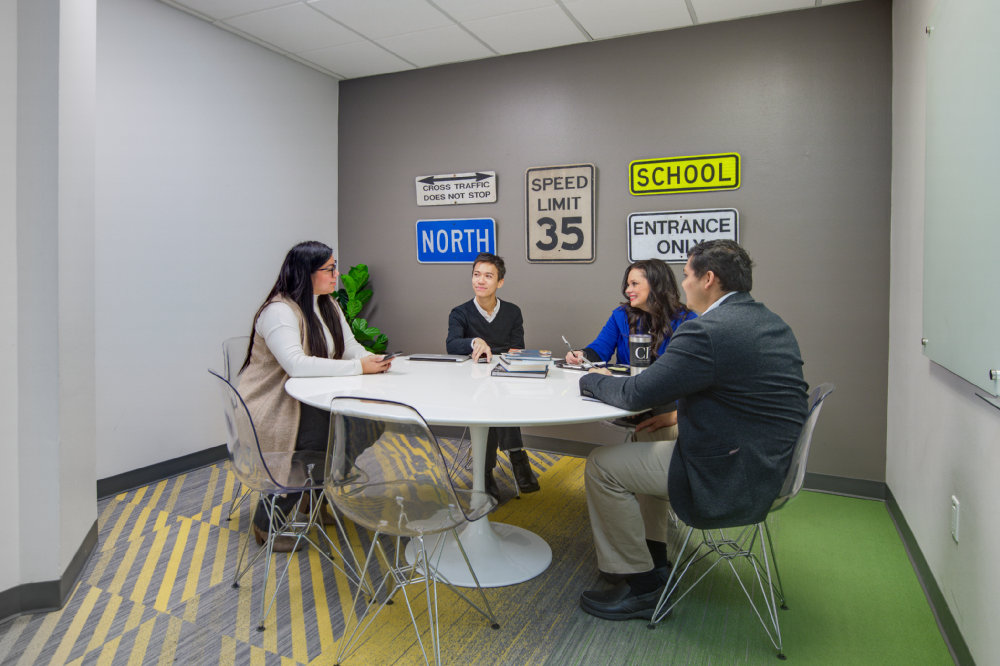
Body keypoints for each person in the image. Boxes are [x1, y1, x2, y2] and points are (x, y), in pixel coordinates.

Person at [576, 240, 809, 621]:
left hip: (731, 472)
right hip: (768, 460)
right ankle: (654, 556)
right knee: (650, 436)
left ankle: (643, 588)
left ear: (709, 279)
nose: (683, 284)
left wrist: (591, 379)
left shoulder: (709, 331)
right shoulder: (768, 320)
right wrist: (673, 418)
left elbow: (636, 393)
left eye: (686, 275)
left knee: (601, 466)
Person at [238, 241, 393, 551]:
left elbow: (349, 347)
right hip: (274, 401)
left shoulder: (327, 304)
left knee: (369, 422)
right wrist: (356, 368)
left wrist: (371, 359)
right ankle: (267, 520)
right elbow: (295, 365)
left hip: (313, 394)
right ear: (305, 273)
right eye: (330, 268)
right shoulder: (280, 312)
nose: (337, 274)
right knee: (317, 441)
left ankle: (317, 491)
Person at [564, 259, 696, 441]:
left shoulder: (687, 320)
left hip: (667, 403)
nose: (628, 291)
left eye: (634, 284)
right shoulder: (621, 315)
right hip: (629, 394)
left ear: (656, 285)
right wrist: (582, 355)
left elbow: (686, 377)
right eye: (627, 284)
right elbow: (599, 349)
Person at [446, 252, 540, 498]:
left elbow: (516, 347)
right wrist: (476, 341)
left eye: (488, 276)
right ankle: (517, 456)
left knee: (495, 400)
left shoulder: (512, 312)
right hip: (471, 382)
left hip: (502, 378)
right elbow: (452, 344)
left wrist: (499, 354)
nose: (481, 281)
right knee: (490, 401)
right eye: (477, 275)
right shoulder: (460, 313)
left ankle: (484, 471)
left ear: (500, 282)